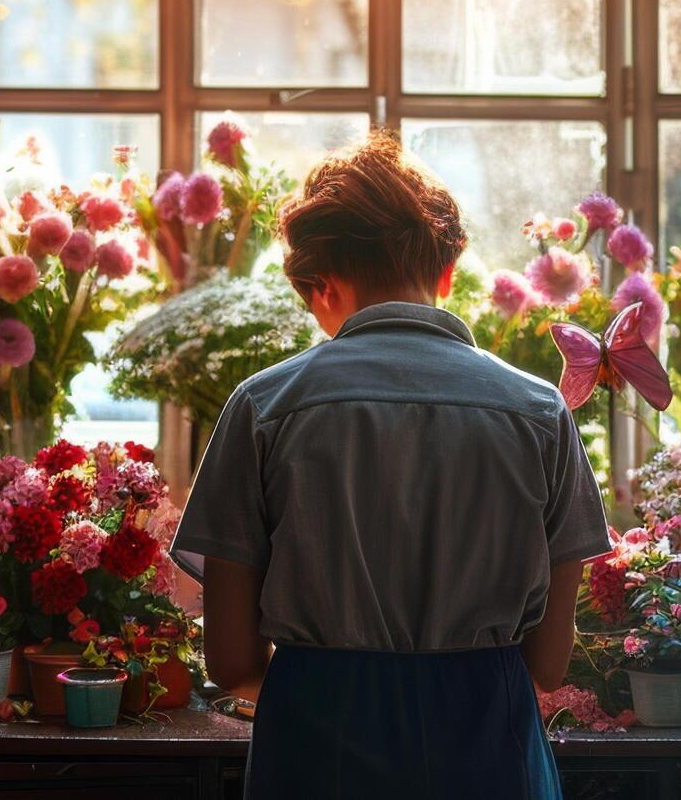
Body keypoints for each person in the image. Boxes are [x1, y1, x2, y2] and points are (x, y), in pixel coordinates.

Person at [169, 132, 611, 799]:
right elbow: (547, 667)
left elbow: (231, 662)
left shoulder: (264, 408)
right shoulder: (539, 413)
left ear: (318, 287)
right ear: (446, 271)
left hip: (318, 752)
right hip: (491, 753)